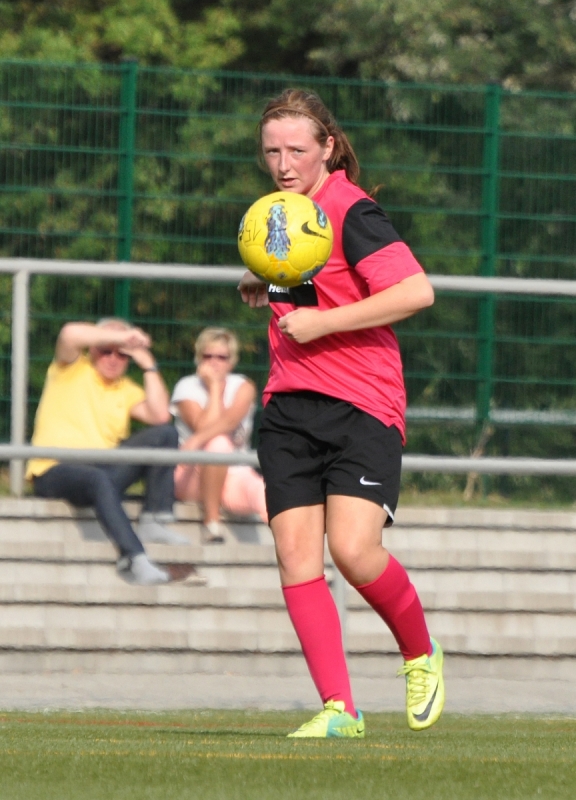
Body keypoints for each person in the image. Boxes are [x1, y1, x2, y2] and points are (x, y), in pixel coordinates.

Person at [238, 88, 443, 738]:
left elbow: (415, 291)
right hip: (288, 406)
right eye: (272, 151)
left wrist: (322, 323)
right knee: (296, 557)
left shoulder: (351, 210)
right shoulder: (281, 214)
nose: (283, 164)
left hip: (361, 404)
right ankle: (339, 709)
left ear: (327, 147)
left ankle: (420, 654)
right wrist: (268, 281)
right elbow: (319, 283)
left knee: (354, 553)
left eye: (297, 150)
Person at [26, 318, 190, 586]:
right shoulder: (70, 368)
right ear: (93, 349)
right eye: (106, 350)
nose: (114, 359)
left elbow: (160, 415)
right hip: (54, 470)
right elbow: (69, 333)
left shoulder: (125, 388)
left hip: (102, 470)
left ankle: (153, 519)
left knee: (166, 434)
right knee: (96, 478)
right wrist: (123, 339)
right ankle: (134, 558)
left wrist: (148, 364)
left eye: (122, 354)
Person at [171, 327, 268, 543]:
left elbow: (230, 421)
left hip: (234, 473)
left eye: (222, 357)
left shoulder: (243, 386)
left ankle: (301, 556)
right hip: (191, 473)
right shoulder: (186, 387)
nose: (215, 363)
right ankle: (211, 523)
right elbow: (203, 426)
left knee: (267, 496)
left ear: (232, 361)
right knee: (218, 443)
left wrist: (196, 440)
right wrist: (215, 389)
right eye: (208, 356)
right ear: (199, 358)